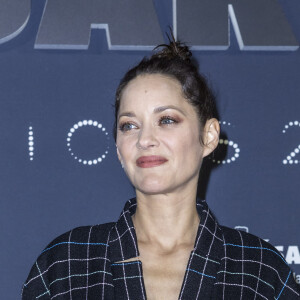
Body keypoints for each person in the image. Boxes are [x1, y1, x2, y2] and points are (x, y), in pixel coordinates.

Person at [22, 40, 300, 300]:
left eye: (166, 120)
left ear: (209, 136)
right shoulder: (64, 265)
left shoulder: (259, 269)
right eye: (129, 125)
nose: (144, 140)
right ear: (119, 147)